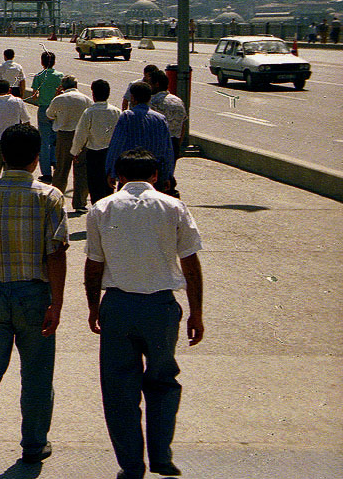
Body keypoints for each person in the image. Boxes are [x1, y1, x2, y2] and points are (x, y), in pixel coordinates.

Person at [0, 123, 69, 479]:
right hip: (34, 294)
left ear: (2, 155)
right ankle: (33, 445)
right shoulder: (49, 197)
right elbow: (57, 253)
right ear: (36, 159)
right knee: (36, 375)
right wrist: (58, 303)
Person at [85, 148, 204, 479]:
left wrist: (94, 308)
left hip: (118, 307)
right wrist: (196, 312)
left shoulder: (101, 209)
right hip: (161, 309)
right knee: (164, 381)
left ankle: (132, 466)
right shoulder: (174, 207)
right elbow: (191, 263)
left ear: (117, 178)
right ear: (155, 177)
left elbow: (93, 266)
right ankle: (161, 455)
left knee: (119, 391)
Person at [106, 82, 175, 188]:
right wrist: (167, 176)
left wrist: (111, 171)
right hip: (152, 175)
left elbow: (116, 146)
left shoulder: (127, 116)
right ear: (149, 98)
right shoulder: (160, 119)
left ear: (133, 98)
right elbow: (167, 150)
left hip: (130, 173)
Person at [47, 75, 93, 211]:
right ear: (76, 85)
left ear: (62, 87)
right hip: (81, 135)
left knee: (61, 168)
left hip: (64, 136)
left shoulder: (59, 99)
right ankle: (80, 202)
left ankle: (56, 201)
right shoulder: (86, 99)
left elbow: (49, 114)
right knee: (81, 170)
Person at [71, 78, 120, 204]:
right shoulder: (116, 112)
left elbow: (81, 134)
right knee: (109, 187)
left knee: (95, 186)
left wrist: (75, 152)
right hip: (110, 154)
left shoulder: (89, 112)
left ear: (93, 94)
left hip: (94, 155)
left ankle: (98, 213)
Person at [0, 79, 30, 179]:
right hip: (14, 142)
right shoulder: (18, 101)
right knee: (12, 175)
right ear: (9, 90)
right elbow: (26, 121)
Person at [29, 50, 63, 183]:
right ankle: (55, 161)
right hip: (58, 110)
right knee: (55, 138)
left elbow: (34, 95)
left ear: (42, 62)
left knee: (44, 141)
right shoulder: (60, 76)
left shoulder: (39, 76)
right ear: (54, 62)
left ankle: (46, 173)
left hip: (44, 109)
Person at [148, 70, 188, 167]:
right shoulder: (178, 101)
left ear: (156, 84)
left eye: (149, 83)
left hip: (156, 144)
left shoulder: (152, 102)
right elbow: (183, 126)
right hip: (174, 144)